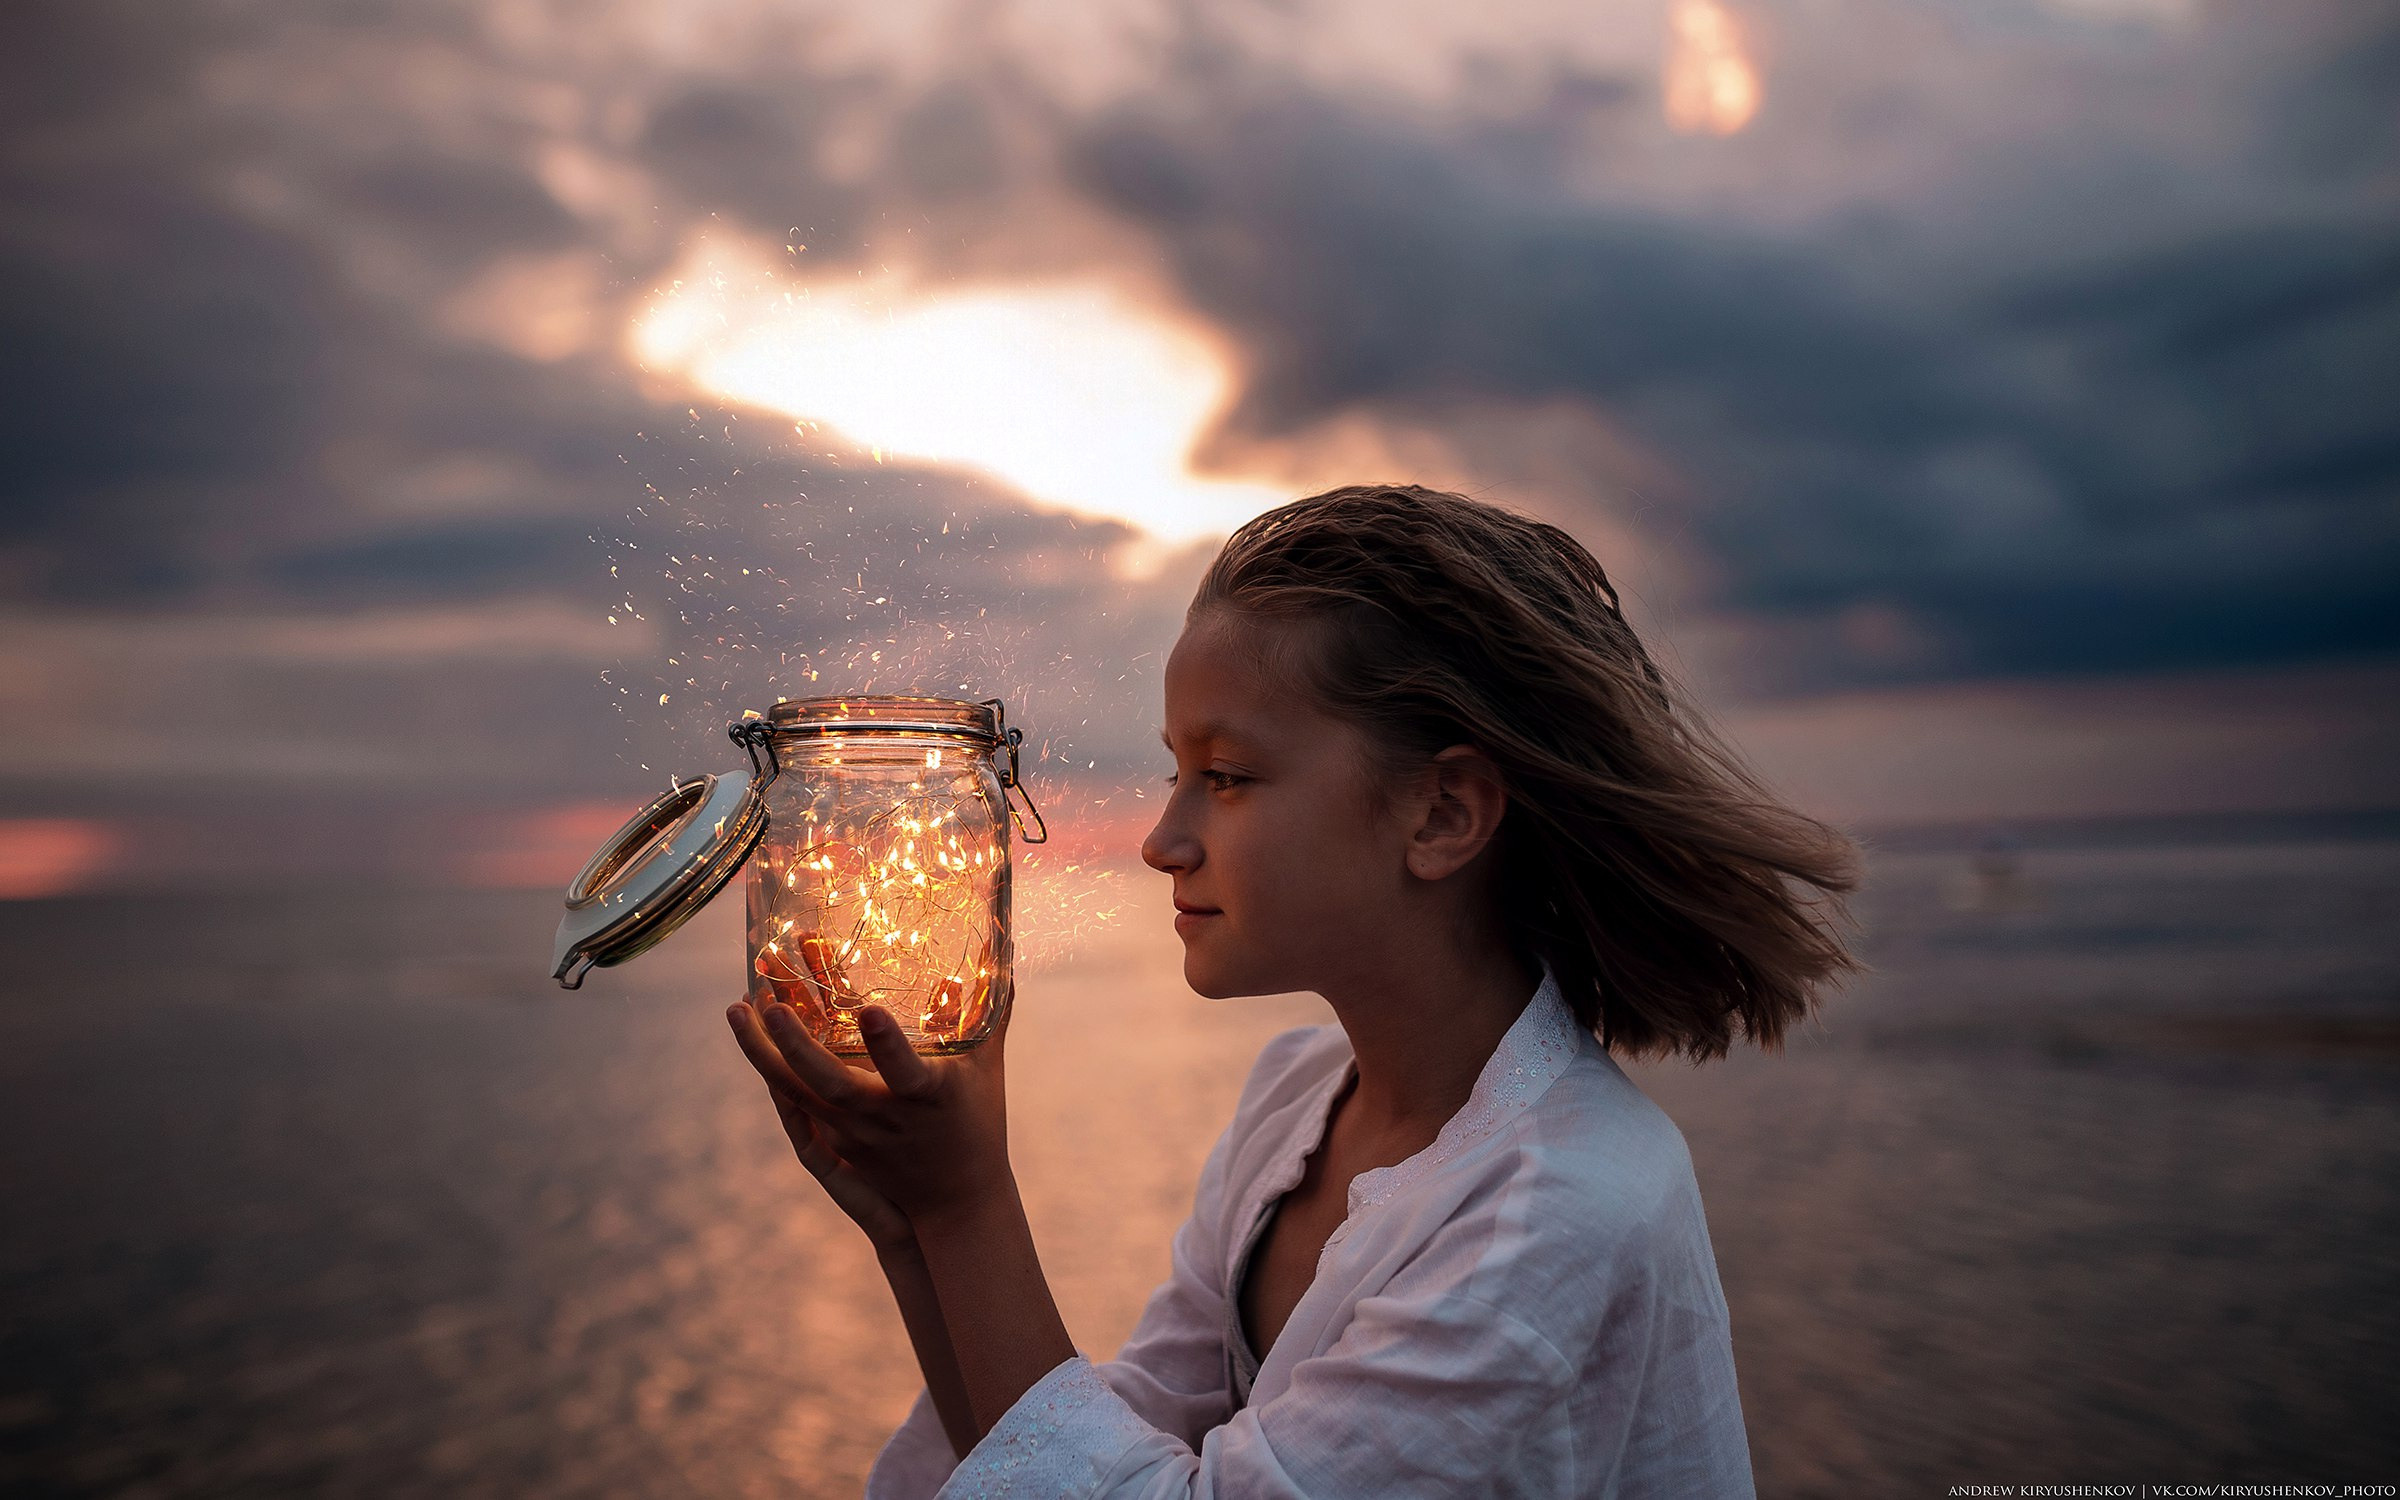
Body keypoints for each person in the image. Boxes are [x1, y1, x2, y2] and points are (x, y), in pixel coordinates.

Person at [727, 484, 1862, 1497]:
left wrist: (969, 1206)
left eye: (1225, 777)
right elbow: (1110, 1449)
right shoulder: (1299, 1102)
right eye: (1176, 772)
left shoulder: (1560, 1207)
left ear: (1444, 813)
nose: (1163, 842)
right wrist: (916, 1228)